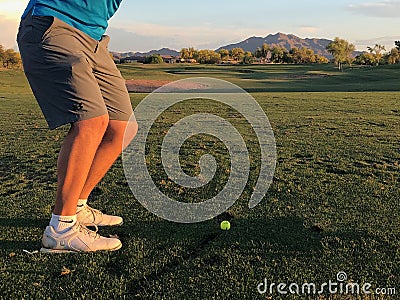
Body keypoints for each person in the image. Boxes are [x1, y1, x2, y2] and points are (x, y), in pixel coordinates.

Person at [17, 0, 138, 253]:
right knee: (91, 121)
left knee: (122, 126)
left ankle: (78, 206)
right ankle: (60, 229)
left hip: (94, 39)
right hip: (54, 23)